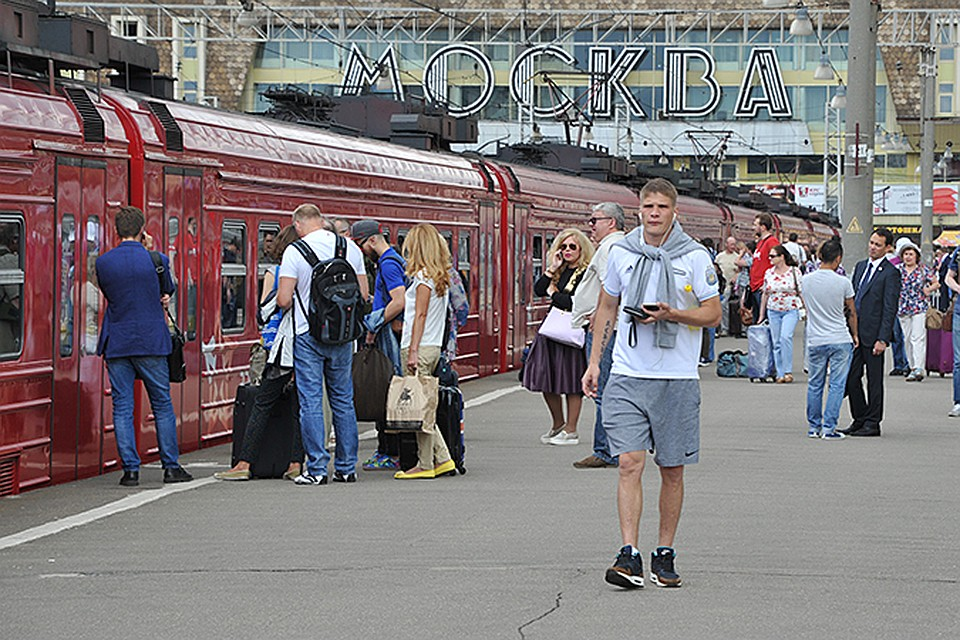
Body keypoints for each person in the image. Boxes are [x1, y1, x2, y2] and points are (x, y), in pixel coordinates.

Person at [584, 177, 720, 590]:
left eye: (662, 207)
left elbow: (712, 313)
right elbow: (606, 307)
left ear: (674, 212)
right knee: (628, 463)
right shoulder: (622, 253)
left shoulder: (694, 257)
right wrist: (594, 363)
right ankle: (629, 554)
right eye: (648, 207)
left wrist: (672, 314)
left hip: (675, 379)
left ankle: (664, 551)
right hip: (627, 374)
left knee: (672, 469)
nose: (654, 214)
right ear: (639, 210)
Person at [95, 206, 192, 487]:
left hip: (118, 341)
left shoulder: (103, 263)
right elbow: (166, 291)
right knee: (161, 404)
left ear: (116, 230)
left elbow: (112, 294)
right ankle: (171, 467)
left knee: (122, 406)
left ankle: (130, 471)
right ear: (142, 229)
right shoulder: (157, 260)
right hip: (151, 341)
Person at [276, 203, 369, 485]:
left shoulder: (296, 251)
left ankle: (316, 469)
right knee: (343, 400)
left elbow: (283, 299)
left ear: (298, 224)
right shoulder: (349, 248)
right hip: (342, 335)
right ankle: (346, 468)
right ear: (322, 221)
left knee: (312, 402)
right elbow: (364, 294)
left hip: (307, 334)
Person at [215, 225, 304, 481]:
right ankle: (295, 463)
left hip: (282, 349)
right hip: (307, 348)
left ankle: (244, 463)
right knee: (300, 407)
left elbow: (265, 313)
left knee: (262, 404)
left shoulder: (275, 272)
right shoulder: (309, 271)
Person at [394, 223, 457, 480]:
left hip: (417, 347)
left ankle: (425, 464)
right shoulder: (440, 278)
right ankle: (442, 460)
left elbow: (419, 315)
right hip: (432, 347)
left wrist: (412, 351)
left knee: (419, 409)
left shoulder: (422, 277)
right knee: (425, 406)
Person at [524, 228, 595, 446]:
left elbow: (575, 303)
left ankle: (571, 430)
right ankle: (558, 424)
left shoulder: (586, 273)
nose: (567, 251)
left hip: (572, 332)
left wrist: (554, 294)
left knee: (572, 382)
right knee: (546, 379)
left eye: (572, 247)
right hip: (551, 331)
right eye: (563, 246)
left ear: (581, 249)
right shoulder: (558, 270)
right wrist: (551, 269)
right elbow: (538, 290)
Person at [352, 218, 413, 472]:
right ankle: (390, 450)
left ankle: (390, 451)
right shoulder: (394, 260)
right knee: (388, 390)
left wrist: (374, 323)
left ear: (373, 239)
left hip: (388, 333)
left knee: (387, 389)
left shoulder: (387, 264)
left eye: (361, 243)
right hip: (389, 331)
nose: (361, 249)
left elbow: (399, 301)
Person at [570, 202, 626, 469]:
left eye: (594, 221)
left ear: (611, 222)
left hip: (604, 329)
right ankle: (611, 449)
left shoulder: (609, 248)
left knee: (602, 390)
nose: (590, 226)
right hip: (611, 327)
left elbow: (610, 287)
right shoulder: (620, 245)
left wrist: (598, 315)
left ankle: (606, 451)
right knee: (608, 389)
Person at [842, 228, 901, 437]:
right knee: (851, 377)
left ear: (888, 248)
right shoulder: (860, 267)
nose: (872, 247)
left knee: (874, 381)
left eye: (878, 245)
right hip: (856, 334)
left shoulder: (891, 273)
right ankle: (859, 418)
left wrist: (883, 338)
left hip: (875, 335)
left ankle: (873, 423)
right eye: (871, 242)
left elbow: (889, 308)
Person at [802, 239, 858, 439]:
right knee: (836, 384)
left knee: (814, 383)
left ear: (819, 256)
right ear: (838, 259)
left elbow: (806, 306)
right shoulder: (843, 282)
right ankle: (829, 428)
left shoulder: (805, 280)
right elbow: (851, 312)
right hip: (839, 338)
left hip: (815, 339)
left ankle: (813, 427)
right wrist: (855, 335)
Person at [759, 244, 804, 384]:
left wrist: (808, 309)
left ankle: (788, 371)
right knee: (776, 342)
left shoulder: (795, 272)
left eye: (773, 256)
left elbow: (801, 292)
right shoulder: (769, 273)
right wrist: (761, 315)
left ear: (782, 257)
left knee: (786, 337)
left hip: (790, 309)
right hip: (773, 310)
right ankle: (780, 373)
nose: (770, 258)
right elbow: (765, 295)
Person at [896, 241, 938, 382]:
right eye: (906, 254)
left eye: (911, 254)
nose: (908, 257)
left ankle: (919, 367)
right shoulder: (898, 270)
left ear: (916, 256)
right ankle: (912, 366)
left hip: (919, 306)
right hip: (903, 307)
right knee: (907, 338)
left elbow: (936, 282)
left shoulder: (923, 269)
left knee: (918, 337)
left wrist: (929, 289)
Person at [886, 239, 911, 376]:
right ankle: (902, 363)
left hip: (903, 306)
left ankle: (904, 363)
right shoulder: (894, 265)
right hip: (897, 305)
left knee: (900, 336)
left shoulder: (911, 267)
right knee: (899, 336)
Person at [749, 213, 779, 324]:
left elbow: (778, 262)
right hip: (755, 286)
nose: (753, 227)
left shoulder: (772, 242)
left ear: (763, 227)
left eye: (755, 224)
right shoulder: (760, 242)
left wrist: (768, 282)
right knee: (757, 322)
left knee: (765, 321)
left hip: (762, 287)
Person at [943, 246, 960, 417]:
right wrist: (958, 288)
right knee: (959, 360)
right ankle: (958, 401)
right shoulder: (959, 252)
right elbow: (949, 278)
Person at [715, 236, 739, 337]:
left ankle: (725, 328)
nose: (733, 246)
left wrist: (735, 277)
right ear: (726, 244)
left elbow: (739, 271)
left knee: (724, 306)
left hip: (730, 286)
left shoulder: (737, 257)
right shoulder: (720, 257)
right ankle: (719, 327)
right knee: (720, 306)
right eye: (731, 244)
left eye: (734, 244)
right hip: (720, 286)